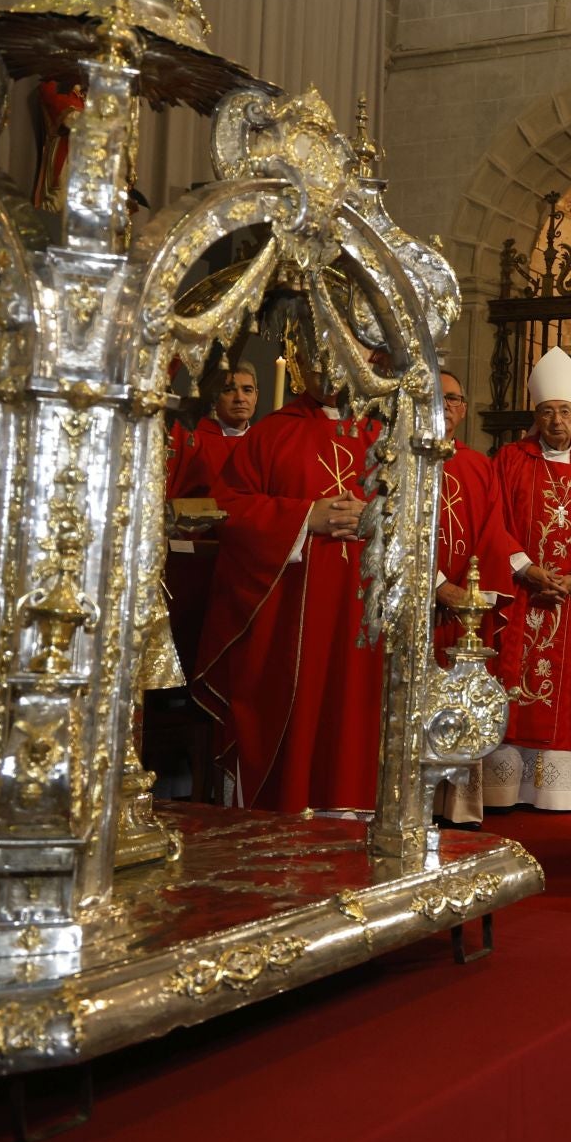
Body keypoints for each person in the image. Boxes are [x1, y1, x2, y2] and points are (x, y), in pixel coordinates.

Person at [192, 333, 384, 814]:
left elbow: (420, 513)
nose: (329, 370)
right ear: (300, 365)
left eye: (340, 358)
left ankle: (359, 810)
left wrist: (373, 516)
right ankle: (284, 808)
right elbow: (229, 508)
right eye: (319, 360)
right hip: (292, 609)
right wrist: (305, 518)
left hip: (366, 608)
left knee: (359, 712)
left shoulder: (383, 435)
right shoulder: (272, 433)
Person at [486, 347, 571, 812]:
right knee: (511, 683)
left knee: (563, 691)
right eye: (547, 411)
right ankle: (503, 787)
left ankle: (554, 792)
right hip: (521, 599)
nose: (557, 421)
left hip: (569, 605)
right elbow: (493, 521)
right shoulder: (508, 461)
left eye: (565, 411)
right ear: (536, 415)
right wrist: (525, 568)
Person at [430, 370, 516, 825]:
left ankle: (456, 807)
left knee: (457, 697)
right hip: (414, 603)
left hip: (462, 613)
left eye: (454, 399)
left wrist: (473, 596)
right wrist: (436, 583)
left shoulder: (478, 466)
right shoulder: (402, 455)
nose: (445, 405)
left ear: (464, 409)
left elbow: (492, 537)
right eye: (436, 396)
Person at [167, 361, 258, 500]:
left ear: (256, 396)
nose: (240, 398)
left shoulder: (264, 441)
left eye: (247, 390)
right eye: (228, 390)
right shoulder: (193, 437)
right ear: (214, 398)